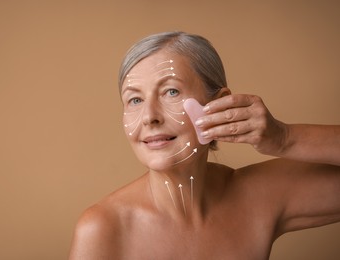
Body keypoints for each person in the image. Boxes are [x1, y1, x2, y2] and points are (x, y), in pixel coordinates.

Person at [69, 31, 340, 259]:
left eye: (171, 92)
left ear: (220, 104)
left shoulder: (258, 198)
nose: (150, 117)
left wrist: (284, 138)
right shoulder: (103, 228)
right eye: (135, 100)